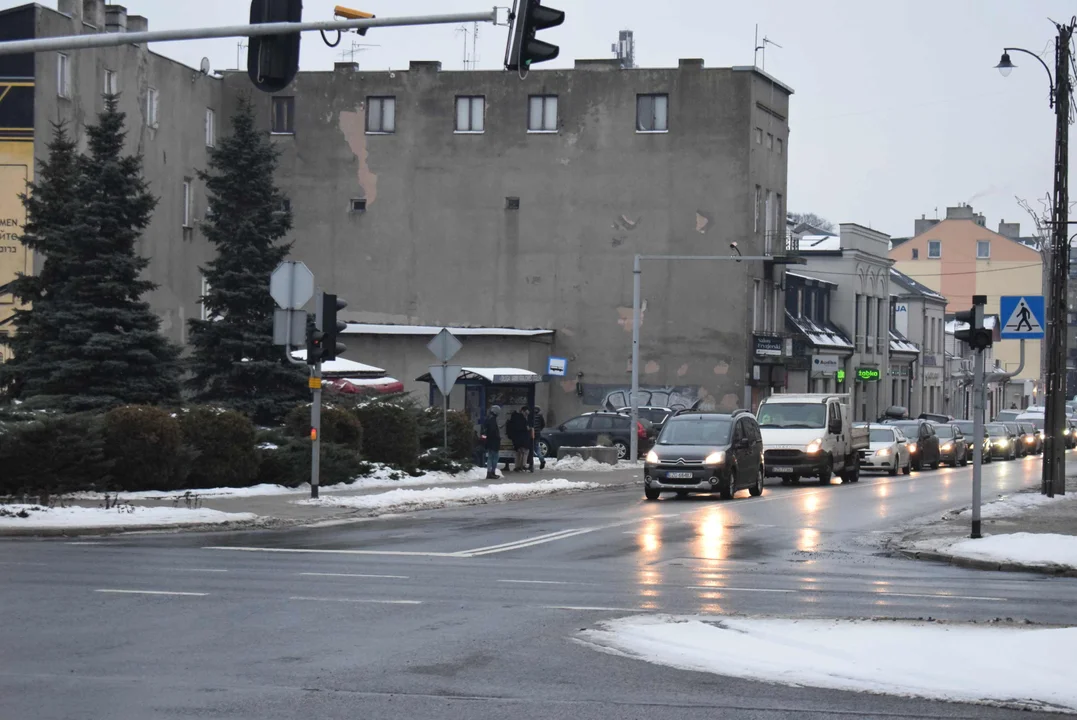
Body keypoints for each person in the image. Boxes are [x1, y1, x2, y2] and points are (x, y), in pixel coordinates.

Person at [481, 406, 502, 480]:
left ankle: (489, 472)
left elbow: (484, 431)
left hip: (489, 441)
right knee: (495, 457)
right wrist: (498, 437)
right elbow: (493, 431)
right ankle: (492, 472)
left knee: (490, 457)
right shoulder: (493, 420)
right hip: (494, 441)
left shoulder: (488, 419)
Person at [527, 406, 547, 470]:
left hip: (530, 434)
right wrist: (539, 429)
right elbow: (543, 424)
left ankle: (530, 463)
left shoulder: (530, 416)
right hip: (537, 434)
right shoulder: (540, 416)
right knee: (537, 448)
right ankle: (542, 459)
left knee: (529, 449)